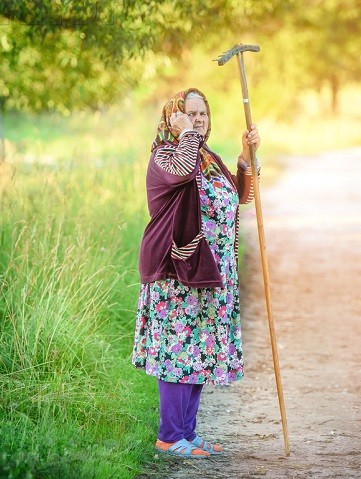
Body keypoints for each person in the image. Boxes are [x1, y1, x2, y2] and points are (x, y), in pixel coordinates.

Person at [132, 88, 260, 458]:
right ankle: (170, 436)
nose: (199, 120)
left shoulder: (207, 158)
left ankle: (186, 433)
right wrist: (187, 133)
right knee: (177, 352)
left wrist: (247, 157)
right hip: (177, 273)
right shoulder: (167, 157)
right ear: (173, 118)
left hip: (209, 274)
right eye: (190, 113)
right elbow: (182, 171)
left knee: (198, 351)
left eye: (203, 113)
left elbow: (238, 196)